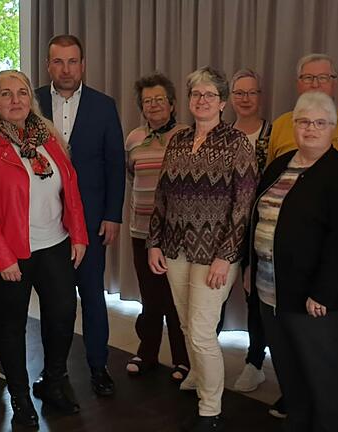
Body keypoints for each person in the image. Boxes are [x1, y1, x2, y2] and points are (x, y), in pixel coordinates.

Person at [0, 70, 89, 427]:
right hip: (10, 251)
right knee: (11, 325)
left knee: (62, 314)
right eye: (6, 94)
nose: (15, 100)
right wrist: (2, 257)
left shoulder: (49, 138)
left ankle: (53, 380)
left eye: (22, 92)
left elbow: (71, 189)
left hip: (54, 243)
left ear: (31, 98)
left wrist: (78, 234)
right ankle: (19, 396)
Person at [148, 66, 258, 432]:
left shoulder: (237, 143)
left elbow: (244, 204)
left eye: (210, 94)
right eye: (196, 94)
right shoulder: (178, 140)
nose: (202, 100)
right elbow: (162, 195)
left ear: (223, 102)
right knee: (184, 322)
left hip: (215, 253)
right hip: (176, 247)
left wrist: (226, 257)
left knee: (200, 329)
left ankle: (210, 406)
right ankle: (197, 372)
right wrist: (154, 242)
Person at [249, 91, 338, 431]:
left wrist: (324, 292)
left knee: (329, 384)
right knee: (292, 378)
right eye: (303, 122)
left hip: (319, 303)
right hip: (274, 294)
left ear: (332, 128)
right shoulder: (278, 164)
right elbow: (255, 220)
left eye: (319, 123)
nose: (310, 129)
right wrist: (250, 270)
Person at [35, 34, 125, 397]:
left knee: (91, 295)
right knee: (53, 299)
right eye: (58, 61)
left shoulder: (104, 106)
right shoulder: (33, 101)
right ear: (48, 65)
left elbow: (115, 165)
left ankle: (97, 365)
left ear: (83, 64)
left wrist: (112, 215)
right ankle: (52, 369)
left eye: (72, 61)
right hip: (45, 219)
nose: (66, 69)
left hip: (90, 220)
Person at [124, 72, 190, 380]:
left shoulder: (188, 135)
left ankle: (182, 360)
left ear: (173, 104)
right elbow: (131, 176)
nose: (153, 105)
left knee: (176, 300)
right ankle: (147, 352)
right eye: (147, 101)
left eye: (159, 99)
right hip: (141, 231)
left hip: (177, 235)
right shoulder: (134, 138)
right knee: (150, 299)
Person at [228, 68, 271, 393]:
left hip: (260, 230)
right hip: (225, 229)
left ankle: (255, 362)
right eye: (239, 93)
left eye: (251, 92)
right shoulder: (223, 135)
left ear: (260, 96)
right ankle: (203, 361)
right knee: (213, 295)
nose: (245, 99)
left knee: (256, 298)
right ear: (230, 98)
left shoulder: (276, 133)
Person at [267, 53, 338, 171]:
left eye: (323, 78)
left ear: (335, 83)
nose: (315, 85)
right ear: (298, 84)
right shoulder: (279, 124)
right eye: (308, 78)